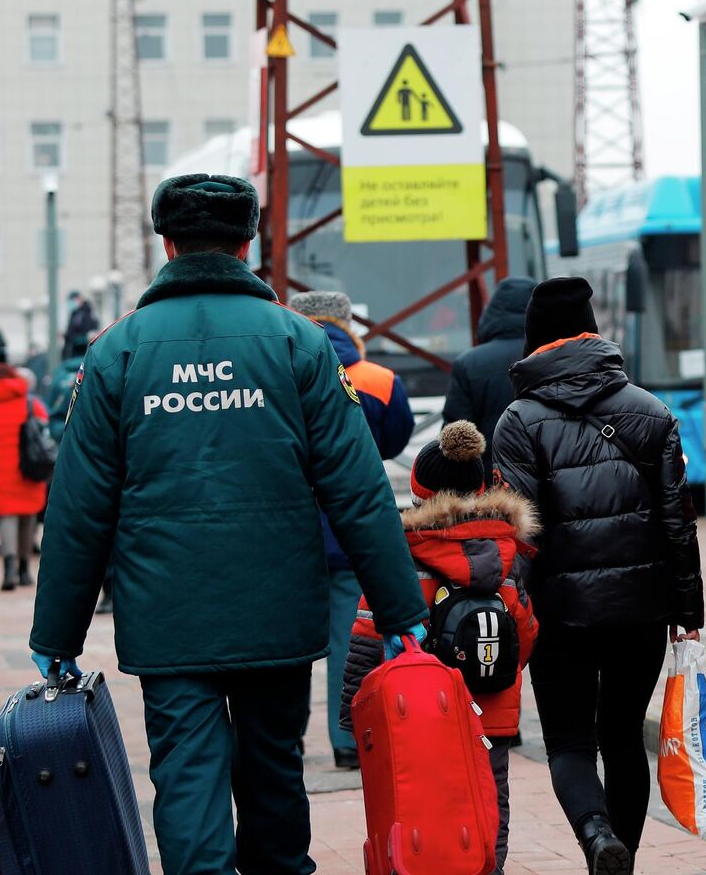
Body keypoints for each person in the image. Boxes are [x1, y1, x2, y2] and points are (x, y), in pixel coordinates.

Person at [28, 174, 427, 875]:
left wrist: (57, 633)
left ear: (166, 243)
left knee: (186, 776)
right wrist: (399, 606)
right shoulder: (299, 345)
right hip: (276, 608)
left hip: (167, 616)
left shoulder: (116, 353)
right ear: (247, 245)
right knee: (274, 771)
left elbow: (78, 505)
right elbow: (358, 489)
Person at [492, 276, 704, 872]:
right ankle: (621, 860)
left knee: (568, 741)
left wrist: (517, 608)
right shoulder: (650, 410)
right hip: (644, 606)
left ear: (535, 342)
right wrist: (688, 611)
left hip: (561, 612)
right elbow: (679, 521)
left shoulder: (519, 420)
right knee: (623, 736)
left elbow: (519, 531)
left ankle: (594, 834)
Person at [341, 421, 539, 874]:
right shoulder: (505, 551)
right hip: (491, 710)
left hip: (421, 715)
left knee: (424, 800)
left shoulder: (402, 555)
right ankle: (490, 866)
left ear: (421, 494)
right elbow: (524, 634)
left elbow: (369, 633)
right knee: (490, 798)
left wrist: (351, 710)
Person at [288, 289, 415, 768]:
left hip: (289, 532)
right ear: (348, 325)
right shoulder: (378, 379)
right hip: (349, 532)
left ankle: (286, 741)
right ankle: (347, 742)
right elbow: (395, 439)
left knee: (289, 645)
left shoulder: (276, 374)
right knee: (349, 640)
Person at [290, 291, 414, 461]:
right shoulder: (383, 380)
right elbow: (396, 439)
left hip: (297, 485)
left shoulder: (277, 378)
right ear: (347, 324)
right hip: (364, 482)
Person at [0, 350, 48, 591]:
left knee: (7, 519)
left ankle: (9, 570)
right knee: (28, 518)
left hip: (0, 472)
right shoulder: (31, 403)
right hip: (31, 469)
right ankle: (25, 570)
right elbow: (44, 430)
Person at [442, 276, 539, 447]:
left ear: (493, 310)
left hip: (490, 471)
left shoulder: (468, 364)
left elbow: (456, 440)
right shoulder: (557, 357)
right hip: (548, 470)